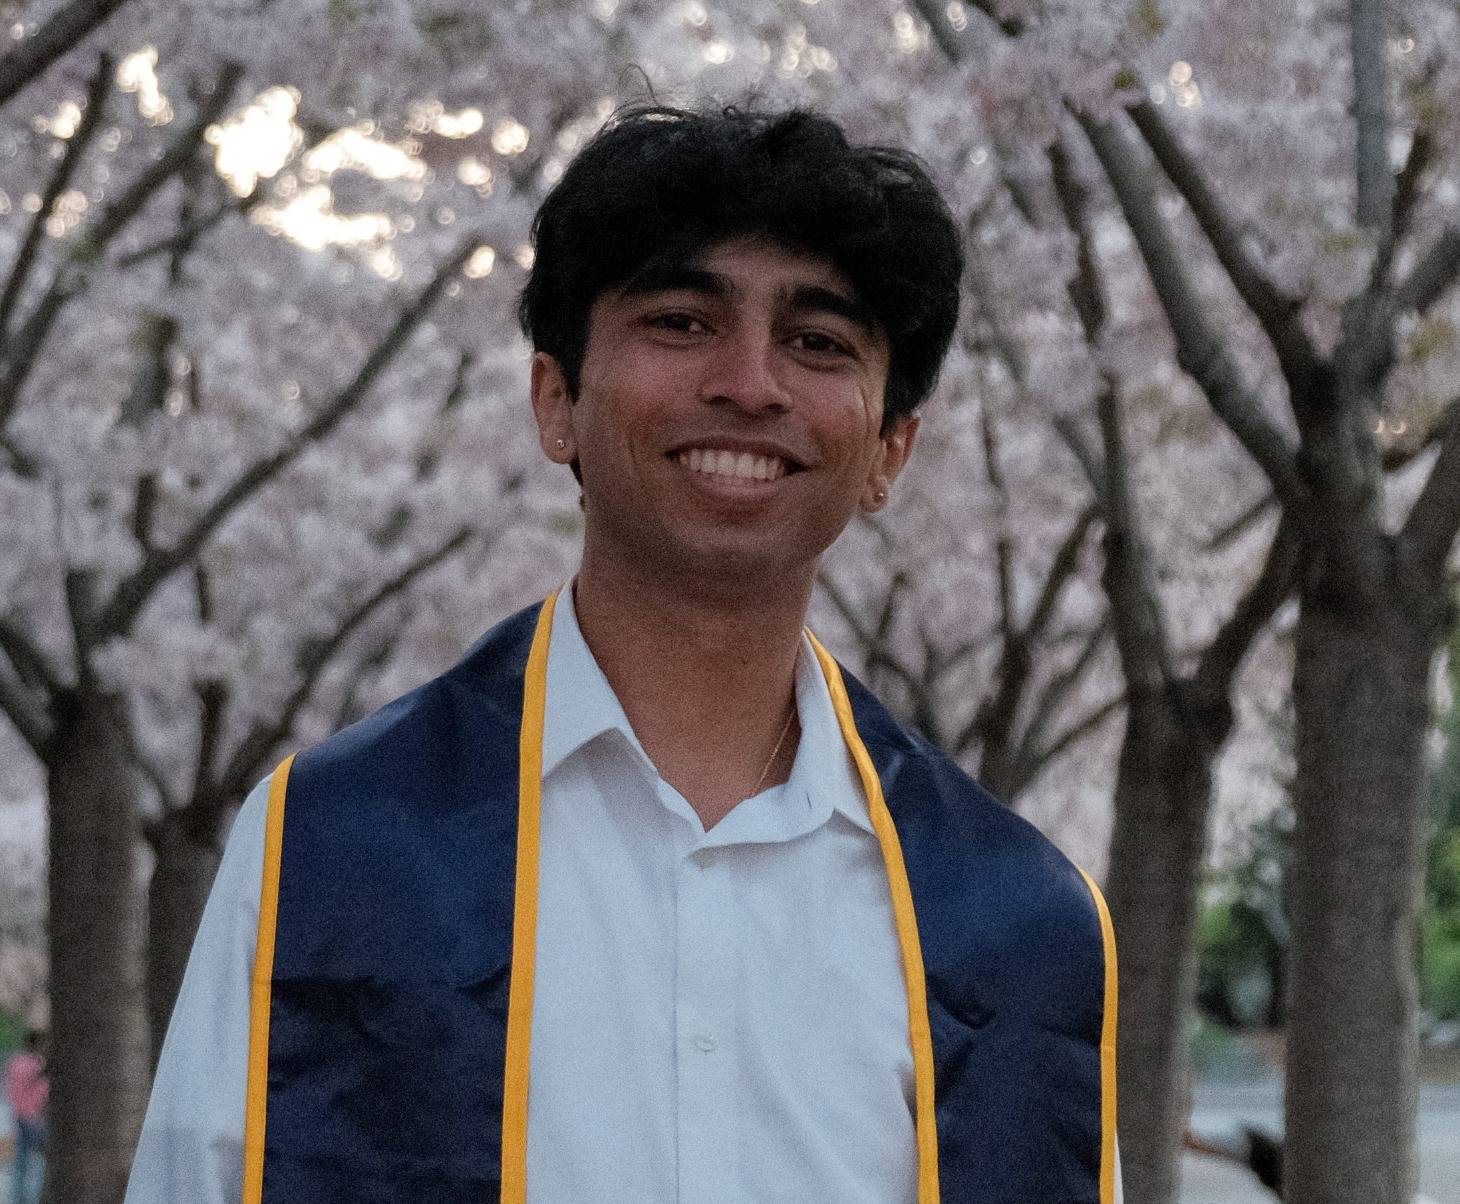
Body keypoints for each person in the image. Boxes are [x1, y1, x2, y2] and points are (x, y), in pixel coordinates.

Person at [127, 104, 1118, 1203]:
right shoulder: (328, 851)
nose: (750, 383)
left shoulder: (1017, 923)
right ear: (556, 400)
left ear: (890, 448)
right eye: (681, 322)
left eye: (818, 342)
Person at [6, 1029, 47, 1204]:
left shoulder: (15, 1062)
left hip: (19, 1115)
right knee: (38, 1163)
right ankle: (31, 1198)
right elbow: (43, 1092)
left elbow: (11, 1090)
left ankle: (18, 1198)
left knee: (21, 1161)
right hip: (35, 1118)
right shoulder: (38, 1064)